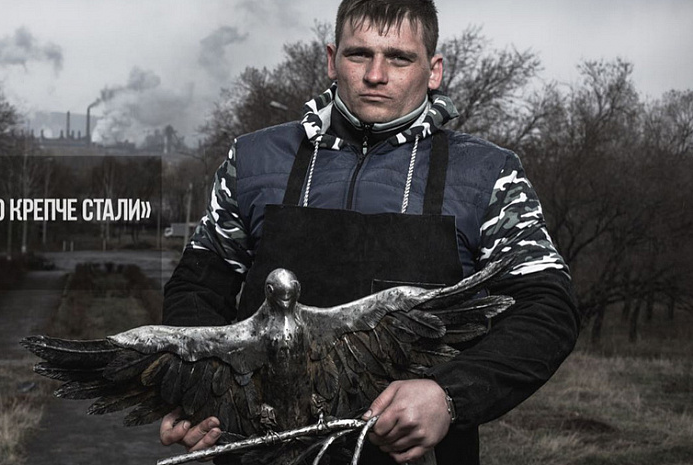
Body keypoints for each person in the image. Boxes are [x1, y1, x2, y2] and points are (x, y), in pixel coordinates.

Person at [158, 0, 580, 464]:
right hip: (259, 453)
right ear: (331, 59)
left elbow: (547, 309)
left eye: (399, 57)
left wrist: (449, 395)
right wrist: (199, 385)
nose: (376, 74)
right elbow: (198, 285)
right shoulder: (254, 160)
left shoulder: (488, 175)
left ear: (433, 70)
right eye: (359, 54)